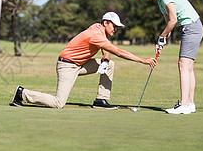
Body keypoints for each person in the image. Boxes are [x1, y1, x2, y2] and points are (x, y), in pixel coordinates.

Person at [11, 12, 157, 109]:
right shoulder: (96, 34)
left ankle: (101, 100)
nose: (116, 29)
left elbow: (106, 50)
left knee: (110, 64)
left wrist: (105, 61)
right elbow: (118, 51)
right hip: (66, 66)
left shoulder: (98, 29)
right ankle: (22, 94)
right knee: (58, 103)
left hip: (79, 65)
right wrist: (143, 60)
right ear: (106, 23)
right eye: (114, 25)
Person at [137, 0, 203, 114]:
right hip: (190, 27)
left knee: (183, 65)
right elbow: (169, 23)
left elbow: (173, 20)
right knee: (188, 67)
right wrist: (161, 42)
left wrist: (161, 36)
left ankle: (184, 104)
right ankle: (190, 104)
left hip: (191, 27)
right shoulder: (160, 1)